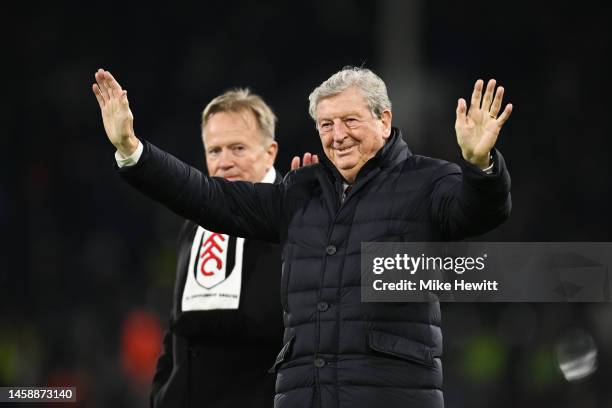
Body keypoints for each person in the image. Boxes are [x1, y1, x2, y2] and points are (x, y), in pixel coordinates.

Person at [93, 66, 512, 408]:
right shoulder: (300, 192)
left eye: (350, 120)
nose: (338, 134)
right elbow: (208, 197)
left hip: (389, 395)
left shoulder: (427, 180)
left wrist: (481, 165)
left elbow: (477, 213)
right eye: (326, 124)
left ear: (384, 120)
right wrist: (134, 151)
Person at [109, 86, 284, 407]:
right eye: (214, 150)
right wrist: (163, 394)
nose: (225, 162)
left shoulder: (294, 220)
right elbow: (178, 328)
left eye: (238, 148)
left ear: (270, 152)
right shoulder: (195, 225)